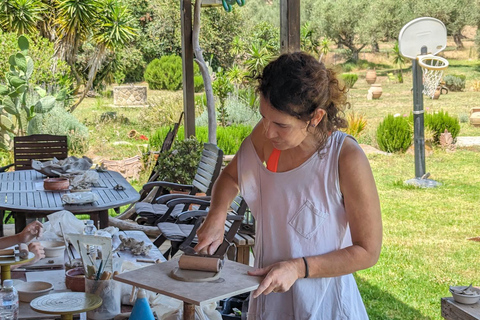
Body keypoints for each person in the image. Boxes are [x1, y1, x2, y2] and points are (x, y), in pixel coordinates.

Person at [195, 52, 382, 319]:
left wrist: (298, 268)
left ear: (315, 117)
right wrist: (217, 215)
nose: (268, 132)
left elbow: (367, 251)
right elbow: (230, 178)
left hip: (326, 306)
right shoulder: (266, 137)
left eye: (281, 124)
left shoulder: (344, 157)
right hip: (270, 302)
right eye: (264, 118)